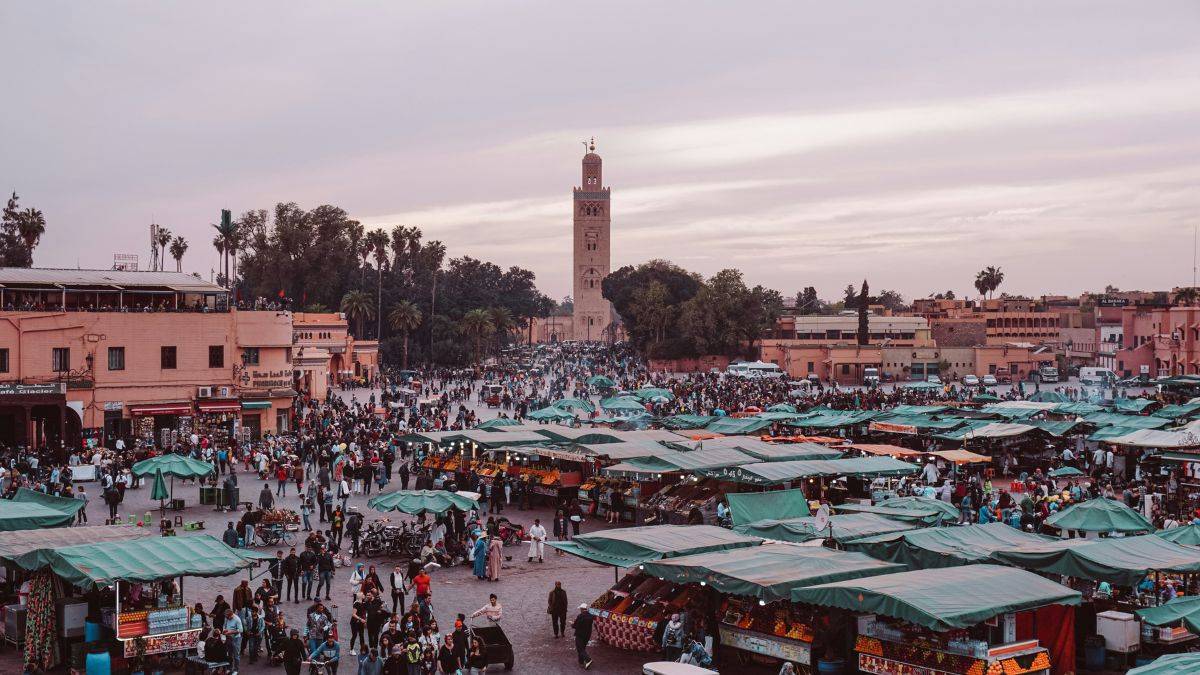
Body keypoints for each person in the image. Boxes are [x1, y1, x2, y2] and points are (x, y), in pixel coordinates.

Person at [572, 603, 594, 669]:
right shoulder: (591, 616)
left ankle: (588, 659)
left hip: (580, 635)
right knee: (583, 648)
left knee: (580, 648)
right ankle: (581, 661)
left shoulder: (580, 616)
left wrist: (572, 624)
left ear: (581, 609)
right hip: (587, 635)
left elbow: (575, 626)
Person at [222, 607, 244, 674]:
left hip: (236, 639)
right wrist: (224, 630)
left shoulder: (237, 619)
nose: (227, 619)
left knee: (236, 655)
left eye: (228, 617)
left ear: (231, 615)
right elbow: (224, 625)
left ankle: (236, 670)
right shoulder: (226, 618)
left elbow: (241, 630)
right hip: (228, 638)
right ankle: (229, 668)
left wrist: (231, 632)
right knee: (229, 654)